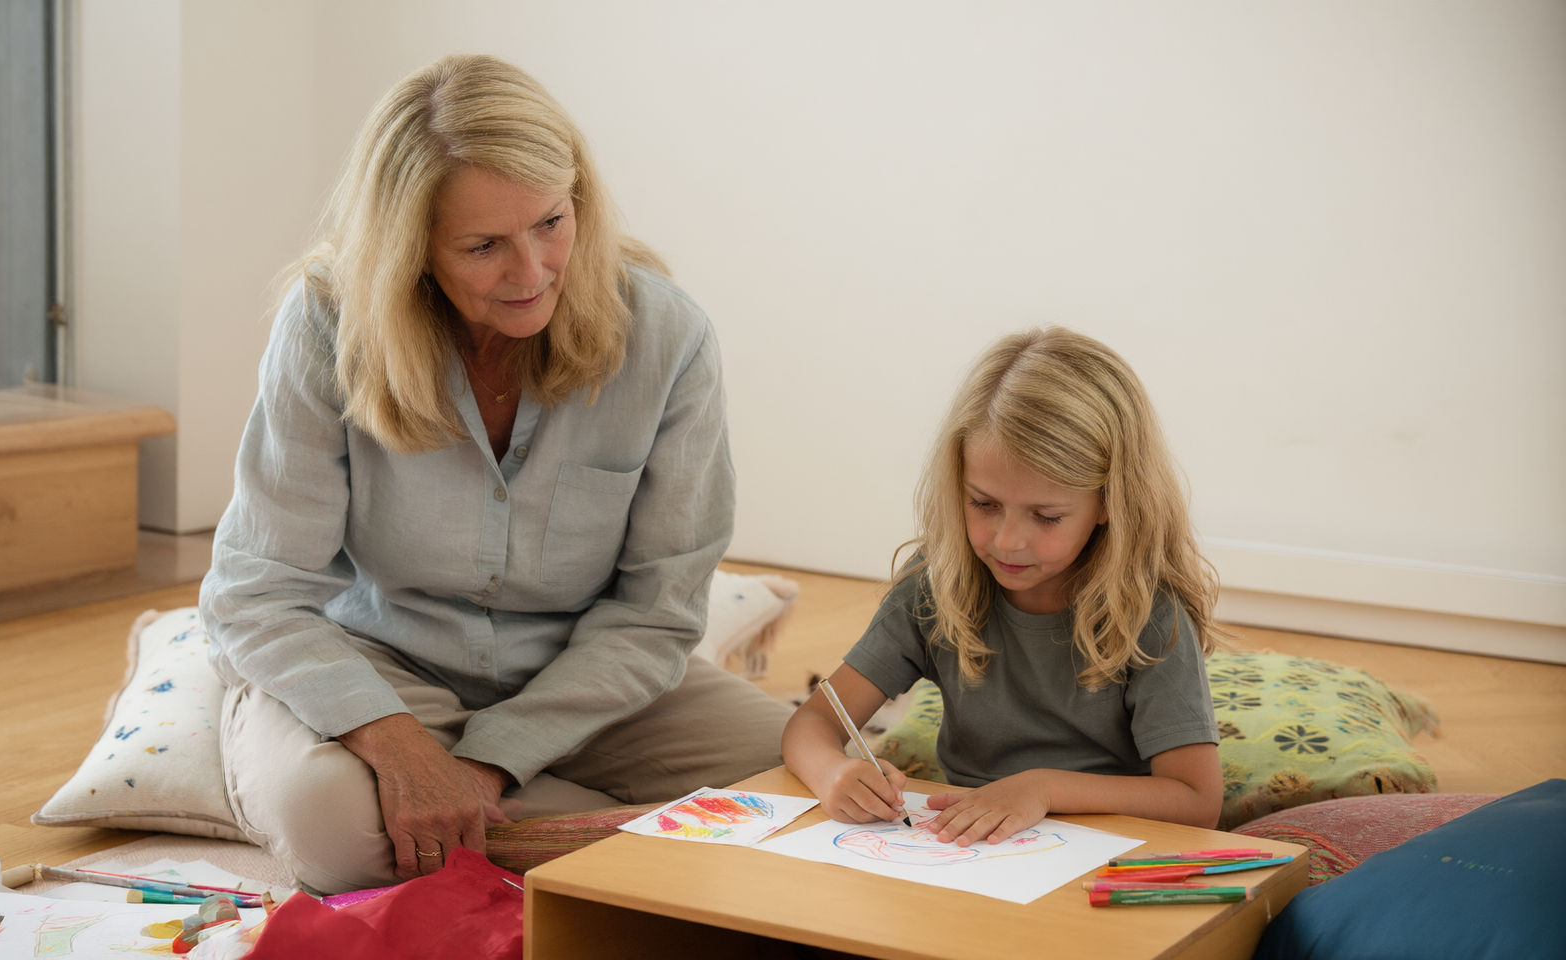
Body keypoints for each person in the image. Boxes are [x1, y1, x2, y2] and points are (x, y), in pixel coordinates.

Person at [200, 54, 790, 895]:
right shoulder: (328, 321)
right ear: (412, 250)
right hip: (381, 665)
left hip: (578, 679)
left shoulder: (669, 336)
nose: (532, 272)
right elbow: (258, 589)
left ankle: (512, 830)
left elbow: (656, 610)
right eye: (483, 246)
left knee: (803, 781)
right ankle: (610, 838)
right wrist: (397, 747)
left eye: (551, 223)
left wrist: (489, 764)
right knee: (334, 830)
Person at [782, 327, 1225, 846]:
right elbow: (813, 722)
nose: (1007, 541)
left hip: (1101, 849)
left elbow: (1197, 801)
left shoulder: (1149, 613)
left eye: (1046, 515)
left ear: (1110, 502)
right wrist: (832, 771)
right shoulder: (937, 583)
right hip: (968, 852)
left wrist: (1041, 789)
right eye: (984, 504)